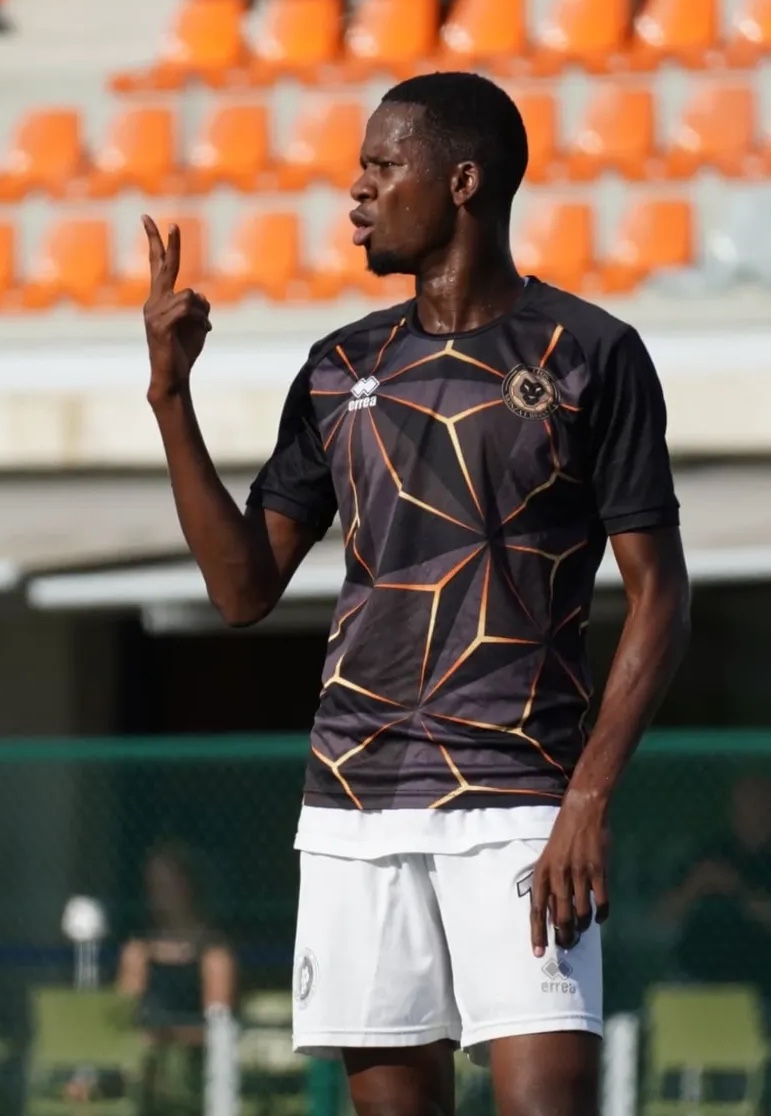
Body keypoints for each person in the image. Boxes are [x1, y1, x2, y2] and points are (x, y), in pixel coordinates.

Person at [141, 71, 690, 1116]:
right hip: (354, 802)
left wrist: (586, 799)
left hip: (522, 798)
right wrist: (171, 396)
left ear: (463, 182)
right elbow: (241, 589)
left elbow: (660, 598)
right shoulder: (337, 367)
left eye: (383, 166)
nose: (357, 190)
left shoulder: (591, 354)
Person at [117, 841, 236, 1114]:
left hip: (193, 1058)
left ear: (189, 885)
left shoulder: (213, 952)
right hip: (145, 1058)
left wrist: (169, 1036)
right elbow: (124, 1010)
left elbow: (218, 1022)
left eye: (168, 883)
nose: (159, 892)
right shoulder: (138, 950)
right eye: (153, 884)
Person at [661, 773, 771, 1003]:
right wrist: (696, 885)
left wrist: (737, 888)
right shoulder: (710, 852)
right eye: (744, 805)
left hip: (759, 986)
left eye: (760, 806)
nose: (752, 814)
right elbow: (661, 919)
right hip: (695, 979)